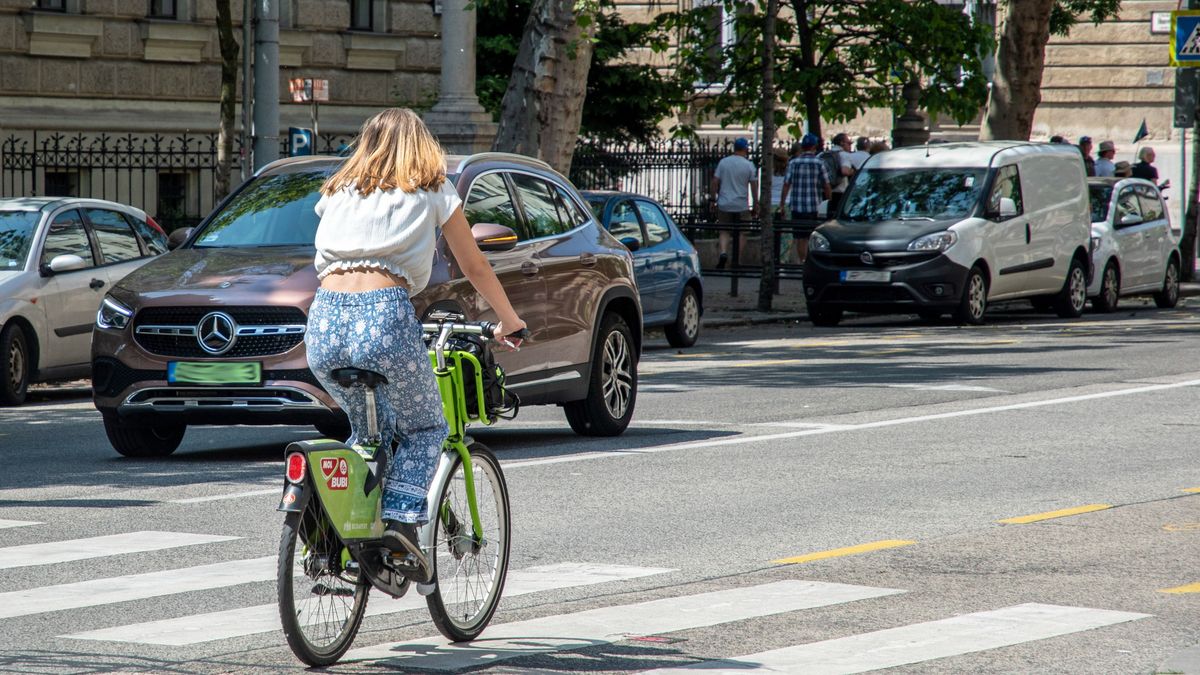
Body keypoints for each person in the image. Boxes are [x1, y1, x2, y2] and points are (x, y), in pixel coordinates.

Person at [305, 108, 526, 580]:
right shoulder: (432, 188)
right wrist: (509, 321)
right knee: (426, 428)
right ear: (422, 144)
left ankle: (329, 520)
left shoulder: (338, 190)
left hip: (323, 319)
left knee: (369, 433)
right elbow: (475, 266)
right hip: (384, 313)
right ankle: (401, 525)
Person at [779, 133, 830, 263]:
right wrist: (829, 202)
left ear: (803, 147)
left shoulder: (793, 163)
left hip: (797, 206)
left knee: (800, 237)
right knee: (813, 235)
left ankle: (803, 261)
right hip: (814, 206)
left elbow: (786, 184)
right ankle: (810, 261)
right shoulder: (819, 163)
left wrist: (782, 203)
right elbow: (826, 185)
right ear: (814, 146)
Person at [710, 137, 758, 269]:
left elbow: (715, 182)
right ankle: (736, 259)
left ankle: (723, 252)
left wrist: (713, 200)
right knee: (743, 232)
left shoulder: (723, 162)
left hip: (724, 203)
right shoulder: (749, 165)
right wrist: (756, 203)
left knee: (724, 231)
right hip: (741, 204)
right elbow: (754, 185)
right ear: (746, 149)